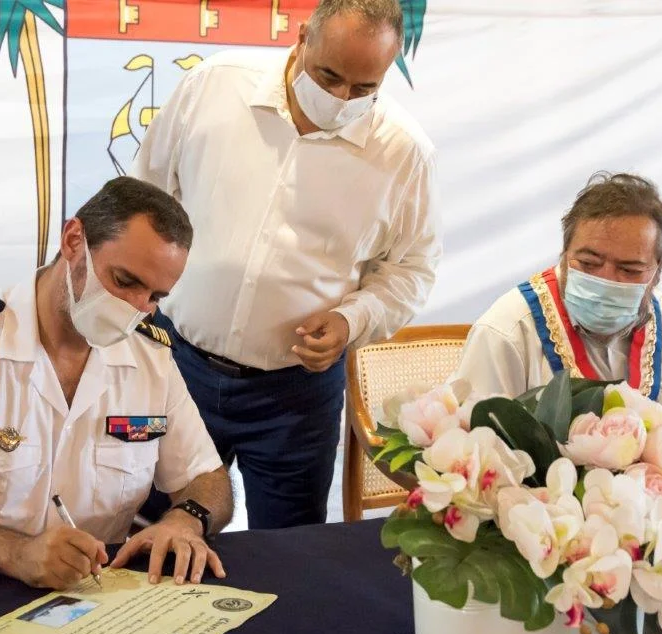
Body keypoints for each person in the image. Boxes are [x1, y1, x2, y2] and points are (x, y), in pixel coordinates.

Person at [130, 0, 441, 528]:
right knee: (145, 527)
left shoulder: (403, 153)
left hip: (295, 394)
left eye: (365, 89)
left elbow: (412, 269)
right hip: (174, 364)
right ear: (302, 38)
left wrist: (351, 320)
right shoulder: (214, 87)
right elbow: (145, 197)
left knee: (288, 550)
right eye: (329, 76)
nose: (342, 99)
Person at [0, 177, 233, 590]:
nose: (136, 310)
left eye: (155, 297)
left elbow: (208, 478)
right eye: (124, 281)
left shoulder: (150, 358)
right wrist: (15, 553)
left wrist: (187, 520)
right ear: (74, 241)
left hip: (94, 598)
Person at [453, 172, 662, 522]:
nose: (605, 280)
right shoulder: (508, 333)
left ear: (658, 271)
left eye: (629, 269)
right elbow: (465, 461)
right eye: (588, 263)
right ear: (564, 254)